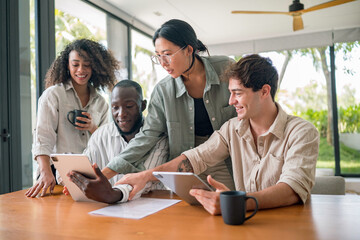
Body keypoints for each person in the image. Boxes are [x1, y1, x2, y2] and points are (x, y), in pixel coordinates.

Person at [112, 54, 320, 214]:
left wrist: (237, 202)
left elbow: (292, 189)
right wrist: (144, 176)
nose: (230, 101)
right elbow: (194, 158)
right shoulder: (232, 129)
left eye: (238, 93)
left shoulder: (302, 133)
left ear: (265, 91)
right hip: (243, 225)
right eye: (230, 93)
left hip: (288, 225)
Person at [101, 19, 237, 190]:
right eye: (158, 56)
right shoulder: (163, 91)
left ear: (189, 50)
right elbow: (147, 136)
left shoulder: (226, 68)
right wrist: (106, 173)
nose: (163, 63)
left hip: (226, 159)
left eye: (167, 54)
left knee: (228, 208)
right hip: (185, 164)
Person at [26, 39, 119, 198]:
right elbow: (43, 136)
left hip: (89, 176)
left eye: (87, 65)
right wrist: (45, 172)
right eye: (75, 64)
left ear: (94, 67)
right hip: (55, 174)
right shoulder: (54, 95)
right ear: (67, 66)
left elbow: (106, 143)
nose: (81, 70)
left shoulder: (101, 103)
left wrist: (92, 128)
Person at [66, 80, 168, 203]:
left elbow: (145, 183)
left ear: (143, 106)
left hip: (152, 207)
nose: (121, 114)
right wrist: (77, 181)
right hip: (108, 207)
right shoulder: (100, 135)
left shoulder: (160, 137)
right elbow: (87, 171)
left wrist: (112, 194)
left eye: (129, 106)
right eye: (115, 107)